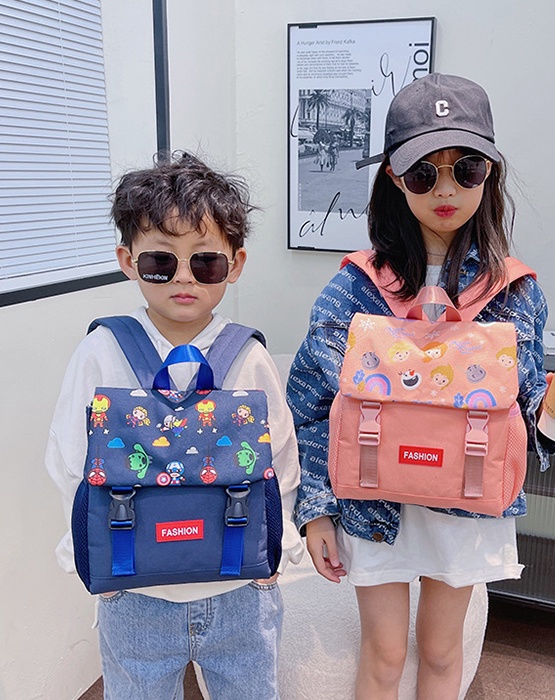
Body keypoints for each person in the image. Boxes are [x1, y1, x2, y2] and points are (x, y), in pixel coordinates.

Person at [287, 74, 555, 699]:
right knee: (384, 655)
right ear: (393, 177)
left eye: (466, 169)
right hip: (372, 501)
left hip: (465, 500)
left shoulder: (516, 291)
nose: (446, 189)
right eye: (423, 173)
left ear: (490, 174)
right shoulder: (353, 287)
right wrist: (317, 510)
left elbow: (522, 417)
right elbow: (311, 403)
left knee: (442, 653)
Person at [45, 152, 304, 700]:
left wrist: (277, 552)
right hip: (134, 596)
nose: (184, 276)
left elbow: (282, 461)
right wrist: (89, 555)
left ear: (235, 264)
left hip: (239, 589)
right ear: (127, 260)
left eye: (205, 262)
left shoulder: (250, 356)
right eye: (161, 261)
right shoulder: (100, 350)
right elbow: (70, 460)